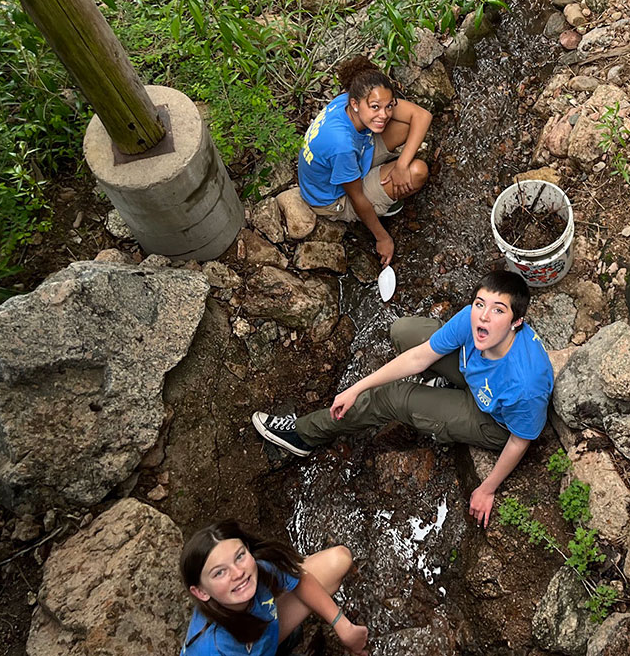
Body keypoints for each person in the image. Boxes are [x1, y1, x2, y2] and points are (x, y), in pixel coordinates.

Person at [252, 271, 553, 526]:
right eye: (479, 304)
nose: (484, 316)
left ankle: (305, 434)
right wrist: (356, 387)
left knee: (393, 398)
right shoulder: (474, 320)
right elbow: (420, 356)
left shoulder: (526, 384)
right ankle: (445, 389)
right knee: (405, 331)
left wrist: (487, 489)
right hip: (477, 380)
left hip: (492, 420)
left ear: (517, 322)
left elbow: (519, 440)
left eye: (499, 310)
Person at [297, 56, 433, 266]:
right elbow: (357, 196)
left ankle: (388, 171)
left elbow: (422, 115)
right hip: (334, 198)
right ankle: (386, 202)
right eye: (376, 107)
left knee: (407, 127)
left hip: (357, 154)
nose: (384, 114)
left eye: (389, 106)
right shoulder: (342, 146)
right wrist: (383, 238)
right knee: (418, 171)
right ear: (356, 104)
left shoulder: (347, 101)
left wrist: (401, 165)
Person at [180, 520, 369, 656]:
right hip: (249, 644)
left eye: (239, 556)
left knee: (338, 560)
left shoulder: (257, 570)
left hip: (262, 635)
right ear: (201, 592)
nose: (238, 573)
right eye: (219, 572)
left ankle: (280, 640)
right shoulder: (212, 648)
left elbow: (301, 579)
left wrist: (344, 627)